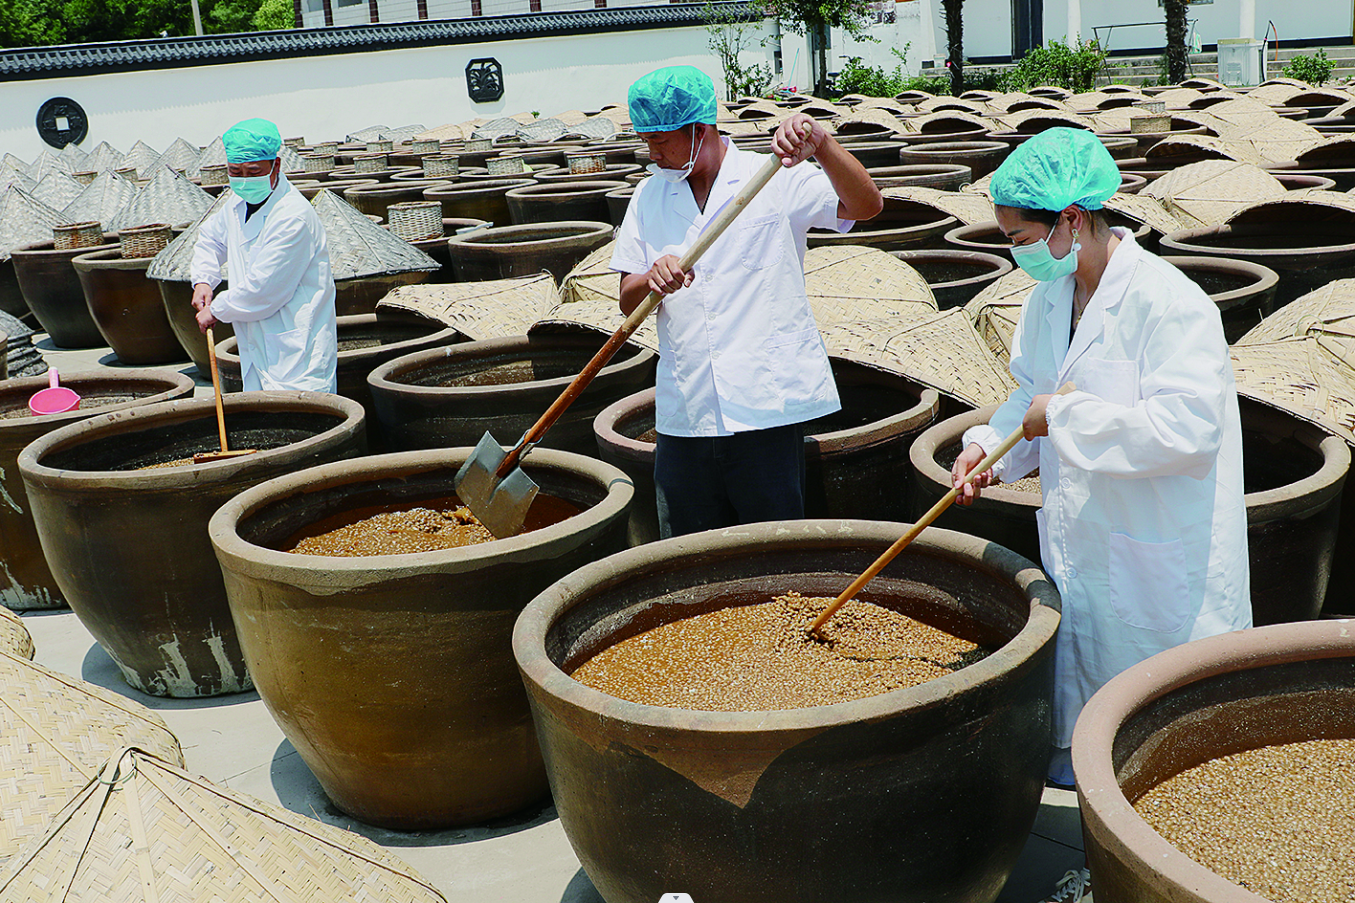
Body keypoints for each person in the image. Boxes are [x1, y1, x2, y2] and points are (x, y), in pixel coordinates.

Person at [950, 127, 1251, 901]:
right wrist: (988, 446)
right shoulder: (1050, 296)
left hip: (1159, 561)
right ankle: (1110, 871)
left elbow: (1186, 431)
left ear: (1071, 219)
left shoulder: (1166, 303)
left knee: (1164, 739)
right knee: (1098, 733)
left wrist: (1068, 418)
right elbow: (1028, 395)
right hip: (1084, 546)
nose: (1016, 252)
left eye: (1021, 237)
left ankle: (1183, 877)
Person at [611, 66, 883, 538]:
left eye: (660, 141)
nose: (652, 154)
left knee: (772, 553)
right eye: (646, 141)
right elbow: (625, 299)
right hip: (686, 412)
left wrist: (821, 143)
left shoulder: (773, 177)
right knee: (688, 554)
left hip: (764, 407)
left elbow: (866, 206)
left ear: (699, 130)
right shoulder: (649, 195)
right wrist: (652, 280)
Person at [191, 117, 337, 393]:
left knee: (304, 421)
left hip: (297, 356)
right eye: (236, 171)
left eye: (254, 171)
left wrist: (216, 310)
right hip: (257, 344)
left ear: (276, 166)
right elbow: (210, 238)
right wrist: (203, 280)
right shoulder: (237, 204)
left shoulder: (293, 216)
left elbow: (264, 289)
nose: (245, 180)